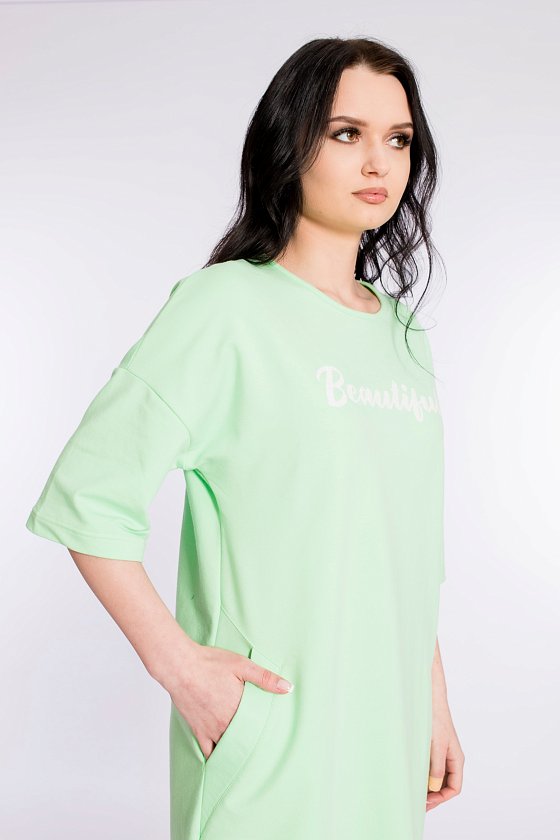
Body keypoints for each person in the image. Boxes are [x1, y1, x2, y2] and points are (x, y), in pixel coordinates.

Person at [25, 35, 464, 840]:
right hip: (270, 737)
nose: (379, 162)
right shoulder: (222, 309)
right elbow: (88, 498)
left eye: (399, 139)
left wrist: (431, 701)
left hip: (384, 736)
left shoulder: (403, 335)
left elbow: (403, 540)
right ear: (289, 141)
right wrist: (184, 671)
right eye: (346, 133)